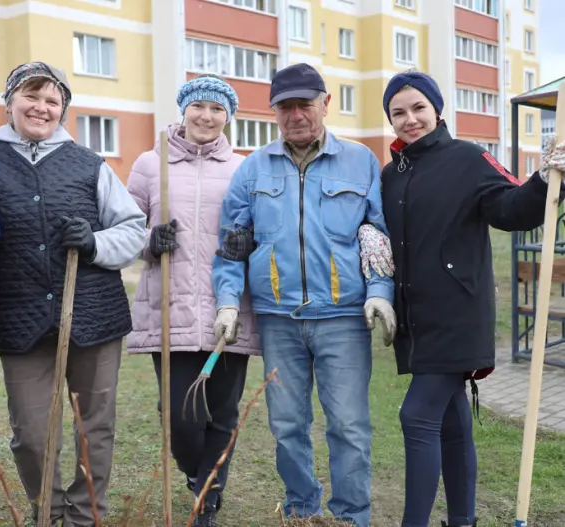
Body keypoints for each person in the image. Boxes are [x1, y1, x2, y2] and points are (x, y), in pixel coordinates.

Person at [211, 63, 396, 527]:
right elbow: (232, 245)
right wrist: (228, 301)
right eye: (285, 106)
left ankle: (350, 517)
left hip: (344, 318)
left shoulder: (360, 161)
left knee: (348, 425)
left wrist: (379, 291)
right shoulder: (252, 169)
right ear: (273, 111)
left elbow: (377, 234)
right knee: (287, 425)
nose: (296, 115)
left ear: (325, 104)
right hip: (279, 320)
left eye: (305, 104)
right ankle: (301, 510)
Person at [380, 70, 565, 527]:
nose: (410, 119)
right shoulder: (391, 174)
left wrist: (546, 178)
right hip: (416, 320)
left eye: (418, 108)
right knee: (449, 420)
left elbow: (512, 209)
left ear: (437, 110)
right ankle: (463, 521)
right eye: (398, 113)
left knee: (416, 416)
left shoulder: (468, 157)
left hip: (458, 315)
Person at [0, 62, 147, 527]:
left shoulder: (89, 164)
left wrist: (94, 243)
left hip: (94, 315)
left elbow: (133, 229)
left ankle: (86, 515)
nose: (41, 108)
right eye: (31, 96)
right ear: (9, 103)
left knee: (95, 426)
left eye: (52, 101)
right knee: (30, 433)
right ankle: (47, 513)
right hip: (20, 318)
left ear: (63, 110)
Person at [125, 75, 261, 526]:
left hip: (229, 306)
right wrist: (149, 241)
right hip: (172, 307)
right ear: (183, 111)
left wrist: (250, 244)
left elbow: (259, 228)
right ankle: (194, 472)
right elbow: (124, 229)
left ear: (228, 117)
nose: (207, 116)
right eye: (199, 106)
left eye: (217, 109)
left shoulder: (243, 168)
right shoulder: (151, 164)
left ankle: (209, 496)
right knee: (180, 416)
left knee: (222, 412)